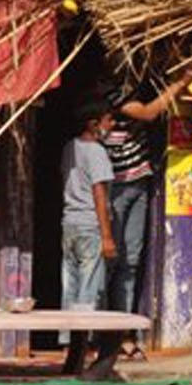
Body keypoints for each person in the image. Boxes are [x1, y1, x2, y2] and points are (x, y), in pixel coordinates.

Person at [102, 71, 190, 348]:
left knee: (131, 259)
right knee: (111, 261)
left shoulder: (133, 84)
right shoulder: (111, 91)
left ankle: (124, 330)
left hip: (138, 181)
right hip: (114, 186)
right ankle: (101, 332)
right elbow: (149, 113)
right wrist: (181, 82)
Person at [59, 98, 118, 317]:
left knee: (70, 285)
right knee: (88, 288)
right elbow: (99, 193)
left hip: (70, 223)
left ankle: (67, 339)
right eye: (109, 120)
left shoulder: (69, 148)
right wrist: (106, 236)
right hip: (89, 226)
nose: (112, 125)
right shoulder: (97, 152)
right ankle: (84, 341)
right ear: (94, 125)